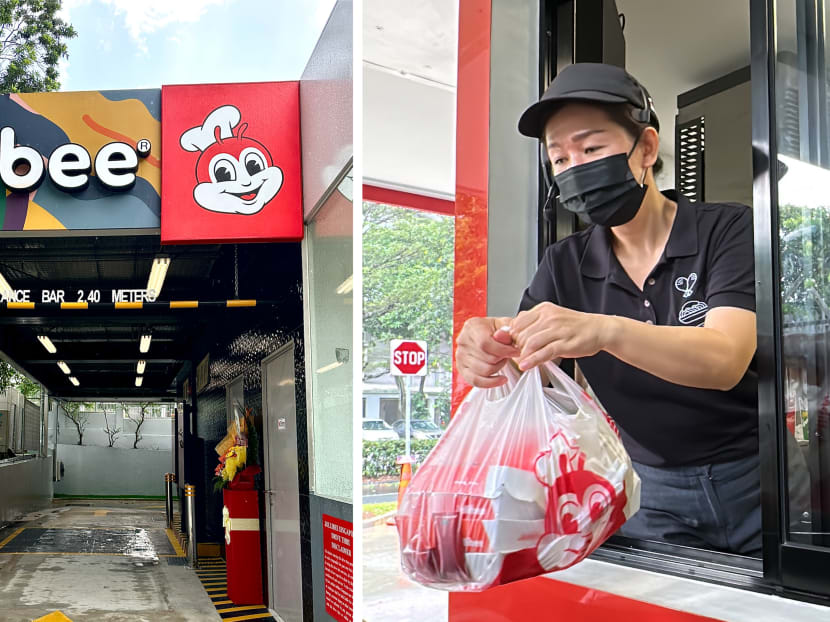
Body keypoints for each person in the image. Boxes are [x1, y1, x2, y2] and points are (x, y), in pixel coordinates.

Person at [455, 63, 763, 556]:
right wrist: (487, 348)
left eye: (592, 149)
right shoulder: (564, 265)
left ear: (646, 148)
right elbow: (523, 365)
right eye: (559, 158)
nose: (574, 167)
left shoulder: (726, 230)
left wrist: (603, 331)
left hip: (758, 478)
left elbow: (725, 359)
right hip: (651, 490)